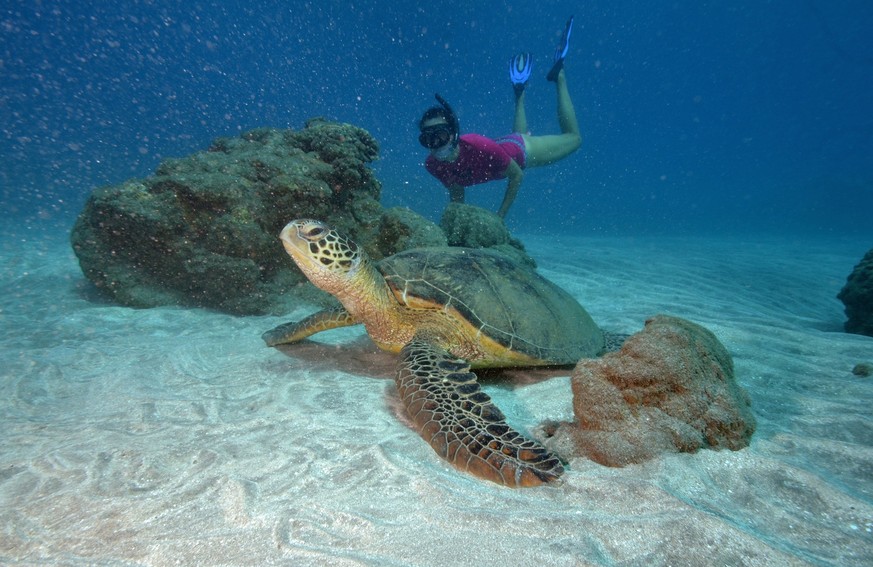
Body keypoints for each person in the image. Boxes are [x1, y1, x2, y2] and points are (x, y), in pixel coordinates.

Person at [418, 16, 581, 218]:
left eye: (440, 135)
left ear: (454, 134)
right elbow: (456, 189)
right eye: (428, 139)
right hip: (503, 146)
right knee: (519, 134)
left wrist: (499, 217)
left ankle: (559, 76)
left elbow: (516, 174)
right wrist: (456, 222)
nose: (436, 144)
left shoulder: (475, 144)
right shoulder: (433, 165)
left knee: (574, 139)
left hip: (521, 151)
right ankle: (519, 90)